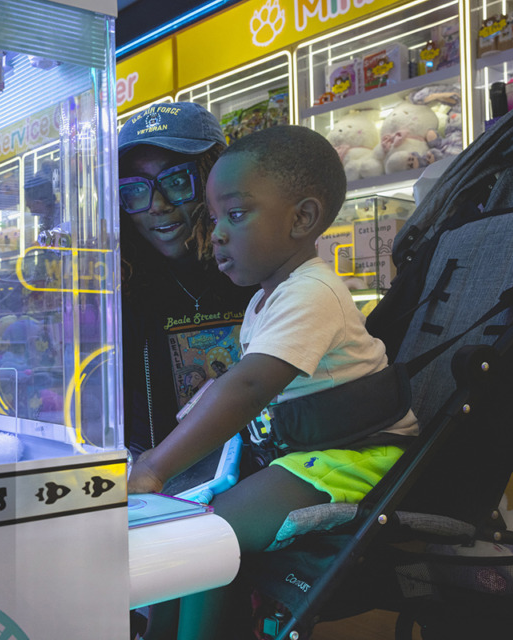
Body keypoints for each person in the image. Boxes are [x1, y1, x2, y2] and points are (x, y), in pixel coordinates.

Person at [127, 125, 419, 640]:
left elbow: (249, 387)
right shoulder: (267, 298)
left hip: (352, 454)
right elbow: (242, 380)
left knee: (209, 535)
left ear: (302, 218)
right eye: (215, 218)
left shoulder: (311, 292)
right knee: (182, 519)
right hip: (304, 445)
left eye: (234, 216)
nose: (216, 234)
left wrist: (153, 464)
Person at [119, 102, 258, 461]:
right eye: (135, 189)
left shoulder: (261, 268)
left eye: (177, 181)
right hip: (161, 481)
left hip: (269, 463)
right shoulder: (121, 289)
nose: (157, 204)